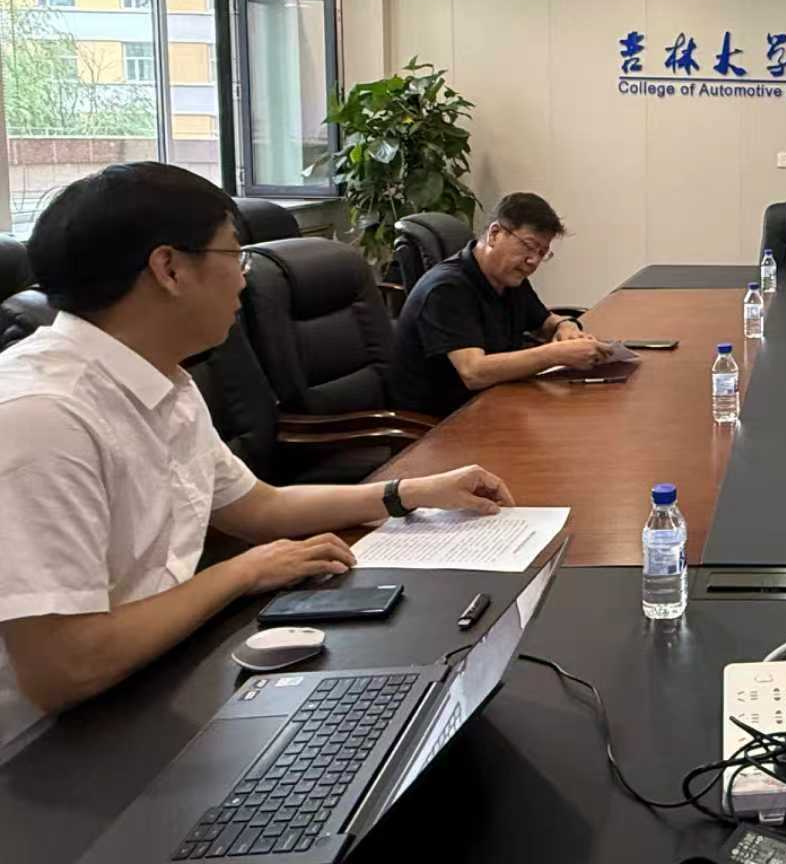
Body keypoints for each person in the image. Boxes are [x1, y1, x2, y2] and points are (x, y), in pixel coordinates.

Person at [0, 163, 517, 761]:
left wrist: (410, 493)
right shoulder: (42, 417)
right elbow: (65, 666)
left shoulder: (162, 378)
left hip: (150, 679)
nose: (244, 280)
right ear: (169, 269)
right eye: (235, 256)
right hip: (47, 753)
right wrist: (241, 573)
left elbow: (258, 507)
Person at [391, 192, 613, 416]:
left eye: (542, 253)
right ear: (495, 234)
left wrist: (565, 326)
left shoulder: (508, 278)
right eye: (528, 246)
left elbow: (545, 321)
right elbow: (473, 372)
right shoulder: (446, 289)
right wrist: (555, 354)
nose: (533, 261)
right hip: (443, 423)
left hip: (493, 400)